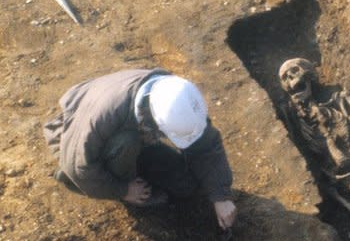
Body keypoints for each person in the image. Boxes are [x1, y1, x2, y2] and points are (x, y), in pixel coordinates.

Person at [43, 69, 237, 230]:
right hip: (72, 140)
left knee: (186, 185)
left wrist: (221, 196)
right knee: (126, 142)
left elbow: (206, 145)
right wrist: (123, 190)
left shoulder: (176, 99)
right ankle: (78, 180)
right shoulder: (101, 119)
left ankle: (130, 164)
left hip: (135, 137)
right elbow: (79, 167)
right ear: (154, 122)